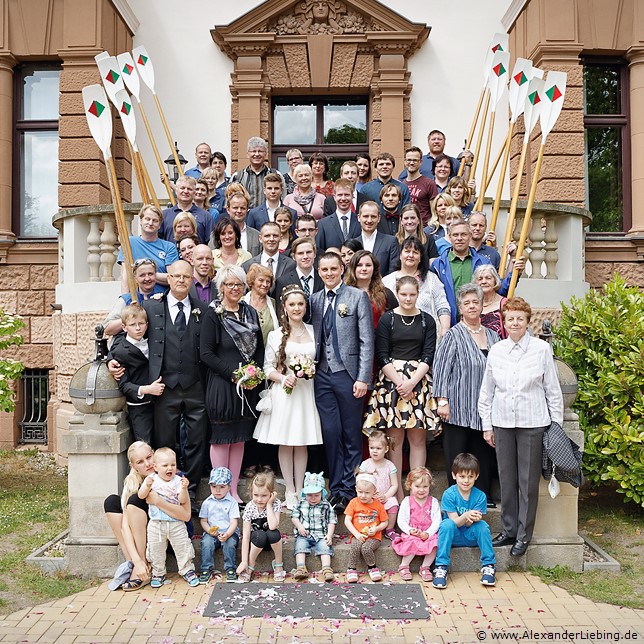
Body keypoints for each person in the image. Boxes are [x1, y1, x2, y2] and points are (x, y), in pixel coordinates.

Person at [108, 261, 210, 504]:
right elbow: (129, 334)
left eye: (186, 276)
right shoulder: (152, 307)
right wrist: (112, 358)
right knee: (166, 442)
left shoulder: (202, 309)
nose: (181, 280)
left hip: (195, 386)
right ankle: (166, 489)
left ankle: (191, 490)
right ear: (169, 279)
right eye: (176, 276)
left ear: (192, 278)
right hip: (164, 387)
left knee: (196, 441)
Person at [478, 297, 564, 557]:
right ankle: (509, 530)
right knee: (506, 479)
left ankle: (524, 535)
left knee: (527, 482)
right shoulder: (497, 350)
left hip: (532, 424)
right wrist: (487, 425)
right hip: (502, 422)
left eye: (520, 319)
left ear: (528, 322)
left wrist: (556, 426)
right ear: (504, 322)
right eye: (510, 318)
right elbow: (487, 391)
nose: (515, 323)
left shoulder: (540, 350)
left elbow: (553, 390)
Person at [363, 275, 439, 497]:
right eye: (403, 294)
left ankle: (418, 492)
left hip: (418, 382)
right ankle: (396, 495)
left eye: (412, 294)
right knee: (394, 441)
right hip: (392, 383)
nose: (407, 298)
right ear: (397, 294)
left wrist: (412, 382)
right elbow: (382, 354)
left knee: (417, 440)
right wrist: (400, 383)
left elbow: (428, 354)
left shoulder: (427, 320)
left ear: (418, 294)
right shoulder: (388, 319)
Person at [311, 252, 375, 511]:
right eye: (323, 269)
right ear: (319, 271)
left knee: (350, 433)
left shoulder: (356, 296)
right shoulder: (314, 300)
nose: (328, 273)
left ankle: (350, 488)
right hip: (321, 375)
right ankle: (336, 487)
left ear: (341, 269)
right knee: (330, 432)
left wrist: (363, 378)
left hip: (348, 375)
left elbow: (366, 340)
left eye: (332, 269)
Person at [254, 285, 322, 508]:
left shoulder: (314, 331)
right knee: (286, 441)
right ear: (284, 307)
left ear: (305, 306)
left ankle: (301, 488)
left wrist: (309, 371)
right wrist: (283, 378)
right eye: (292, 304)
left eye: (300, 304)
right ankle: (290, 491)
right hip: (285, 392)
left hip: (306, 392)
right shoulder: (276, 335)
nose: (296, 308)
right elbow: (267, 368)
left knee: (301, 441)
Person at [201, 265, 265, 503]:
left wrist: (254, 376)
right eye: (230, 284)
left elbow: (259, 347)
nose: (235, 288)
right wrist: (235, 375)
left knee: (239, 438)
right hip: (223, 385)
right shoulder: (213, 315)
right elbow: (207, 354)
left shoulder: (250, 312)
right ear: (221, 287)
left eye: (239, 284)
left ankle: (234, 491)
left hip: (247, 387)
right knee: (222, 438)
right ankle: (220, 491)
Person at [432, 283, 500, 505]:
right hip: (458, 407)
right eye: (466, 303)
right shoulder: (452, 335)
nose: (471, 306)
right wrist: (442, 401)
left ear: (482, 306)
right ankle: (457, 500)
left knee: (483, 455)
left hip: (484, 409)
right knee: (458, 456)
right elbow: (441, 369)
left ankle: (483, 497)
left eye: (475, 302)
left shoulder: (493, 336)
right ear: (460, 307)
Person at [103, 441, 189, 591]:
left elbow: (186, 515)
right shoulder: (132, 482)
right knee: (112, 502)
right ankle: (137, 563)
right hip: (148, 534)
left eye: (149, 457)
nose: (148, 463)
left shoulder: (173, 476)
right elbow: (125, 527)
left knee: (136, 500)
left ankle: (141, 568)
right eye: (140, 462)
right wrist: (136, 560)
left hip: (171, 531)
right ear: (133, 466)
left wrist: (159, 502)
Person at [432, 221, 524, 327]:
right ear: (449, 237)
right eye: (455, 235)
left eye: (464, 234)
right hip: (448, 324)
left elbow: (500, 290)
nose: (459, 238)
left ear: (470, 236)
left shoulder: (484, 262)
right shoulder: (438, 265)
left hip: (479, 322)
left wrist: (515, 272)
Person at [433, 453, 496, 589]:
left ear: (476, 476)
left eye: (470, 477)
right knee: (446, 524)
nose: (466, 481)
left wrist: (472, 519)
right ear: (454, 475)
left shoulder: (480, 496)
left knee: (482, 526)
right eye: (462, 476)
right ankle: (441, 567)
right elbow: (454, 522)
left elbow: (468, 523)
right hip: (453, 535)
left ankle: (488, 566)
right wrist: (467, 514)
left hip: (469, 535)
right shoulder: (449, 494)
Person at [138, 447, 199, 588]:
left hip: (176, 523)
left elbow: (183, 500)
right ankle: (158, 573)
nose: (169, 468)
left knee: (183, 547)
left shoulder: (178, 481)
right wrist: (146, 487)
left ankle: (187, 570)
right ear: (155, 467)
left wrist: (184, 489)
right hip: (156, 523)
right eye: (165, 465)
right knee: (155, 549)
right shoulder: (151, 479)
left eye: (173, 464)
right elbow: (141, 496)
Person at [108, 304, 165, 442]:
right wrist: (148, 389)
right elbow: (124, 385)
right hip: (139, 406)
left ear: (147, 324)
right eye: (133, 325)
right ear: (124, 327)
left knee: (164, 442)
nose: (138, 328)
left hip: (161, 402)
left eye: (141, 324)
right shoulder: (120, 351)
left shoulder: (155, 341)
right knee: (144, 443)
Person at [382, 236, 451, 337]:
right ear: (400, 255)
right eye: (407, 251)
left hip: (428, 338)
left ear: (420, 258)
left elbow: (442, 305)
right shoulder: (387, 281)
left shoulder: (431, 279)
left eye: (415, 252)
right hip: (396, 339)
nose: (411, 255)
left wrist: (445, 330)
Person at [392, 467, 441, 582]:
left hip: (427, 532)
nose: (421, 490)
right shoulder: (407, 501)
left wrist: (428, 533)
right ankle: (404, 566)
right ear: (410, 485)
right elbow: (401, 520)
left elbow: (437, 520)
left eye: (425, 487)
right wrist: (409, 530)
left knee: (435, 543)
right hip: (412, 532)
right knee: (412, 542)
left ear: (430, 486)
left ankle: (425, 567)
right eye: (417, 486)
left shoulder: (433, 502)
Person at [236, 472, 285, 582]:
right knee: (260, 535)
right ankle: (250, 566)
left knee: (274, 533)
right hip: (256, 542)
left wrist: (269, 505)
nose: (259, 499)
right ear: (251, 493)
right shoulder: (250, 508)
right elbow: (246, 537)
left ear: (271, 494)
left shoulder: (275, 503)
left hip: (272, 542)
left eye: (264, 496)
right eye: (256, 495)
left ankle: (278, 564)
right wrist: (244, 561)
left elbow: (273, 526)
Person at [118, 204, 179, 291]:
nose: (150, 223)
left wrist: (142, 272)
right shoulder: (129, 242)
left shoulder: (169, 247)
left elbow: (172, 278)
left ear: (159, 225)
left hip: (161, 299)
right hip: (137, 298)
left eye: (155, 221)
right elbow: (126, 275)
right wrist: (126, 298)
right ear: (141, 221)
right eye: (147, 219)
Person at [102, 258, 167, 337]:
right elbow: (107, 329)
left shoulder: (163, 298)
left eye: (150, 274)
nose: (147, 278)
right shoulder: (126, 300)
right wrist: (130, 315)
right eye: (142, 275)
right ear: (135, 278)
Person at [291, 471, 336, 582]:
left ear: (322, 493)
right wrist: (299, 526)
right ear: (304, 494)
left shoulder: (326, 505)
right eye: (309, 495)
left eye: (316, 495)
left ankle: (326, 569)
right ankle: (301, 567)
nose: (313, 498)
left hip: (321, 535)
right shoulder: (301, 503)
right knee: (300, 546)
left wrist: (329, 535)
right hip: (304, 534)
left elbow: (331, 521)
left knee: (325, 548)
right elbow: (294, 517)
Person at [344, 472, 388, 583]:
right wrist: (356, 534)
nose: (363, 496)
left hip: (374, 537)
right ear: (356, 489)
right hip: (357, 534)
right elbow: (347, 521)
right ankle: (351, 569)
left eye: (367, 493)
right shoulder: (353, 502)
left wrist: (377, 529)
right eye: (360, 492)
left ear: (374, 491)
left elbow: (385, 522)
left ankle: (372, 567)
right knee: (355, 547)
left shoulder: (378, 505)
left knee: (366, 548)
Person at [198, 466, 240, 584]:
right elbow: (203, 521)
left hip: (228, 532)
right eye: (214, 486)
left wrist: (227, 534)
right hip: (211, 532)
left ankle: (230, 568)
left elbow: (234, 522)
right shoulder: (207, 503)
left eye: (222, 487)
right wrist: (209, 530)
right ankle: (206, 568)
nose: (218, 490)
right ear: (210, 486)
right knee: (206, 543)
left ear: (229, 487)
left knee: (230, 543)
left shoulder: (232, 502)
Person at [359, 431, 399, 539]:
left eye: (378, 448)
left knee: (393, 503)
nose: (374, 451)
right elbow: (360, 483)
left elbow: (394, 485)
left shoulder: (390, 466)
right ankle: (370, 528)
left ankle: (389, 529)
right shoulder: (365, 465)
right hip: (369, 497)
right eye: (372, 448)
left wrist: (386, 496)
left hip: (385, 497)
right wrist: (369, 495)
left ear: (386, 449)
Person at [344, 250, 397, 328]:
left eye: (368, 265)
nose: (364, 269)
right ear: (353, 268)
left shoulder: (386, 293)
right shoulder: (344, 293)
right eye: (359, 265)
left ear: (374, 269)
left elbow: (395, 320)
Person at [230, 137, 284, 209]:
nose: (257, 154)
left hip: (270, 218)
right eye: (253, 151)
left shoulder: (276, 175)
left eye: (260, 151)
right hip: (245, 218)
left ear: (265, 154)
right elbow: (229, 200)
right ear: (247, 154)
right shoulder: (237, 177)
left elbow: (283, 198)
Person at [274, 237, 323, 314]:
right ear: (293, 256)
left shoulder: (323, 278)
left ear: (314, 254)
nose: (305, 256)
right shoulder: (283, 282)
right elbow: (280, 312)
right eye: (300, 253)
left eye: (309, 252)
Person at [160, 175, 213, 245]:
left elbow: (210, 243)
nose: (185, 191)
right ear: (176, 191)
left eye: (189, 189)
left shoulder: (205, 216)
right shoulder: (164, 215)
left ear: (194, 193)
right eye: (182, 188)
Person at [352, 200, 400, 276]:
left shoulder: (390, 242)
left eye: (373, 216)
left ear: (379, 218)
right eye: (366, 216)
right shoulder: (353, 244)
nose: (369, 220)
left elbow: (393, 272)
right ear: (359, 217)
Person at [242, 221, 296, 286]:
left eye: (275, 236)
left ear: (281, 238)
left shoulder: (290, 264)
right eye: (267, 236)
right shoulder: (247, 265)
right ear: (260, 238)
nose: (271, 239)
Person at [316, 179, 362, 251]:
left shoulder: (360, 221)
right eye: (340, 195)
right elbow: (319, 251)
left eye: (346, 195)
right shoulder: (323, 224)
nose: (343, 198)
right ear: (334, 197)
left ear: (352, 196)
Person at [243, 263, 278, 346]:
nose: (265, 285)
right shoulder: (241, 303)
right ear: (252, 281)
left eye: (268, 281)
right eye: (261, 280)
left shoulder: (274, 304)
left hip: (269, 354)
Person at [401, 146, 438, 225]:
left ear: (421, 162)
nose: (411, 163)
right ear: (404, 161)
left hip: (424, 228)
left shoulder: (429, 183)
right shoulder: (400, 185)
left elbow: (434, 211)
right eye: (409, 160)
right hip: (405, 228)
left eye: (415, 160)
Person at [224, 189, 261, 257]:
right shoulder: (218, 234)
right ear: (228, 210)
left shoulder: (257, 236)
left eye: (243, 208)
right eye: (235, 208)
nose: (239, 211)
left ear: (247, 210)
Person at [474, 264, 507, 339]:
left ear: (495, 281)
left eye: (488, 278)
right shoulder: (472, 305)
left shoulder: (505, 304)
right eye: (480, 279)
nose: (484, 281)